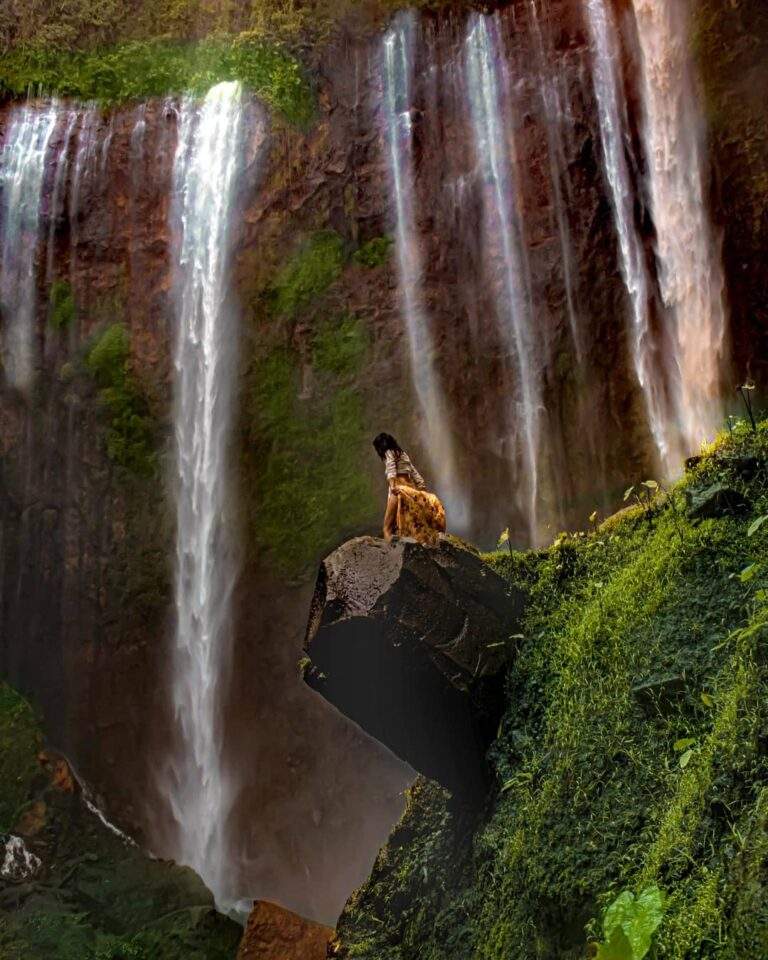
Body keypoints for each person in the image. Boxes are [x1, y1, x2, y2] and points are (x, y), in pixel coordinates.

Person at [372, 433, 446, 545]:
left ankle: (389, 547)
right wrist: (422, 492)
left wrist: (392, 487)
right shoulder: (403, 454)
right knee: (406, 519)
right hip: (411, 490)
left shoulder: (389, 452)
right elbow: (415, 474)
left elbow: (391, 468)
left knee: (387, 526)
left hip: (398, 489)